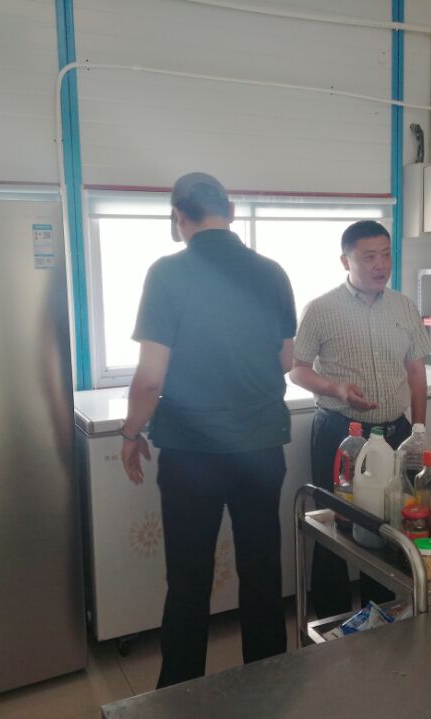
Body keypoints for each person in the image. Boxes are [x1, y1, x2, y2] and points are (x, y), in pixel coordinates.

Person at [120, 172, 295, 689]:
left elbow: (150, 378)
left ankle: (180, 694)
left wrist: (130, 434)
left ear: (179, 218)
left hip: (191, 453)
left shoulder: (167, 273)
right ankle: (268, 688)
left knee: (189, 579)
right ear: (231, 212)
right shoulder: (272, 272)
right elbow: (286, 360)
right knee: (262, 572)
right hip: (260, 447)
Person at [289, 220, 431, 619]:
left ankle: (383, 613)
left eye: (386, 255)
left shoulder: (403, 306)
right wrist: (335, 388)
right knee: (334, 524)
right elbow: (297, 369)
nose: (380, 265)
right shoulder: (321, 308)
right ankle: (331, 620)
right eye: (368, 256)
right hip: (340, 432)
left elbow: (416, 370)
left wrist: (419, 429)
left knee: (391, 523)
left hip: (395, 432)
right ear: (345, 261)